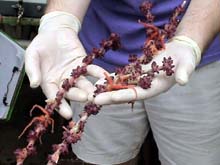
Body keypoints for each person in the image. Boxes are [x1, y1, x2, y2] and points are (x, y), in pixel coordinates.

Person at [25, 0, 220, 164]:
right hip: (93, 55)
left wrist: (191, 41)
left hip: (198, 55)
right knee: (101, 156)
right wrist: (60, 19)